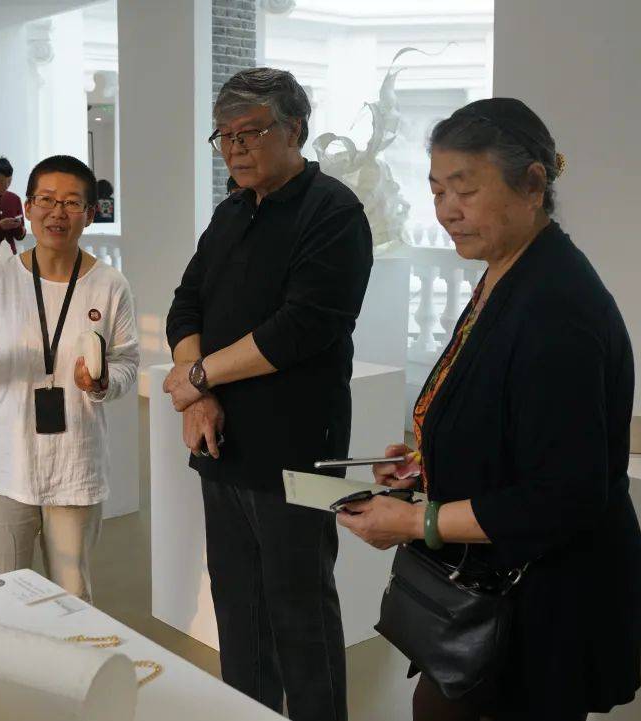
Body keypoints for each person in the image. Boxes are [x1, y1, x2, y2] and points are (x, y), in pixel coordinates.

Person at [338, 98, 641, 721]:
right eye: (437, 190)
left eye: (466, 189)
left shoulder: (556, 308)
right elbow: (505, 420)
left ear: (532, 185)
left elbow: (563, 495)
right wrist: (427, 462)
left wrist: (416, 522)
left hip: (544, 597)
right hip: (500, 585)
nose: (447, 210)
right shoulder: (507, 273)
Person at [163, 67, 373, 721]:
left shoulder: (333, 212)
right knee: (238, 612)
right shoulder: (230, 213)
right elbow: (185, 304)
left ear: (295, 129)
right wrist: (198, 394)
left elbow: (300, 328)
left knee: (302, 615)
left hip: (303, 455)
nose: (235, 148)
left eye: (250, 132)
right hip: (221, 446)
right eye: (223, 135)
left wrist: (200, 376)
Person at [0, 155, 139, 603]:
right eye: (47, 200)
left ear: (90, 214)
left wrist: (102, 382)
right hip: (2, 460)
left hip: (74, 460)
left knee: (71, 599)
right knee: (2, 595)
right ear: (28, 207)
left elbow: (127, 362)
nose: (58, 212)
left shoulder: (110, 285)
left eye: (72, 203)